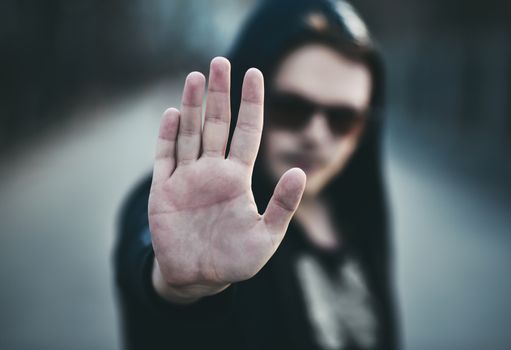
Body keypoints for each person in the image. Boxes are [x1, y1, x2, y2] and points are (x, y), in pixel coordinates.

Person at [114, 0, 399, 349]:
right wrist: (181, 288)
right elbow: (148, 255)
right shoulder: (188, 205)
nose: (316, 135)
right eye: (291, 108)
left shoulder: (354, 211)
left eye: (344, 119)